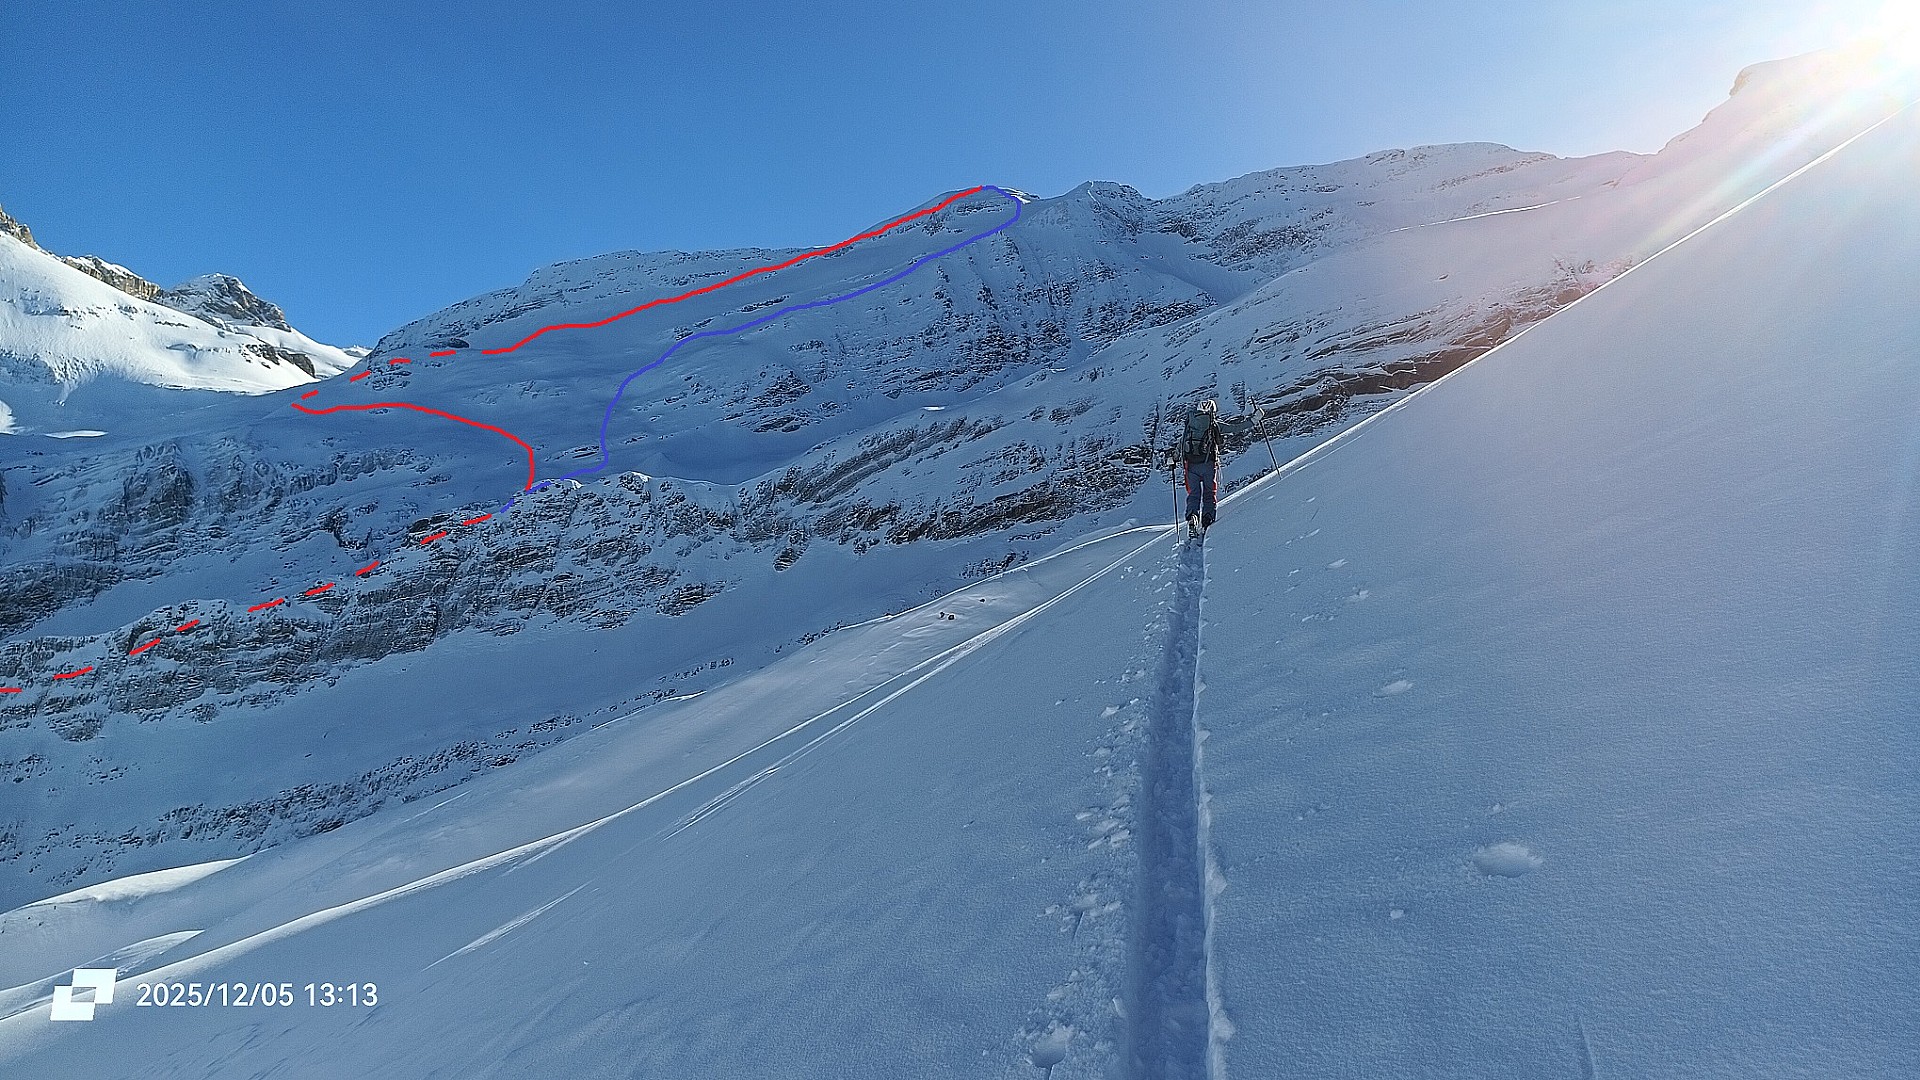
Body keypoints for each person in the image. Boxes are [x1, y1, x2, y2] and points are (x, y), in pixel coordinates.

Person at [1169, 399, 1225, 536]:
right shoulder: (1213, 425)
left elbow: (1181, 445)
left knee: (1194, 494)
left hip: (1191, 466)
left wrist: (1173, 459)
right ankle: (1207, 518)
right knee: (1209, 493)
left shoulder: (1190, 424)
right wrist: (1255, 419)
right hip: (1208, 465)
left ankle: (1192, 517)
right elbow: (1235, 427)